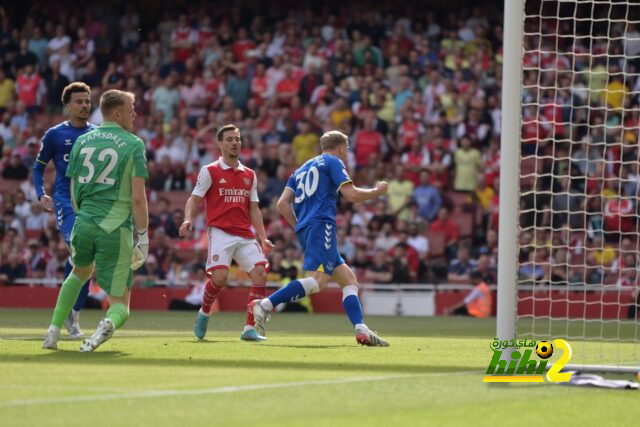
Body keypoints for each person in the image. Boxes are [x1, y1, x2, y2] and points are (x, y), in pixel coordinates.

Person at [251, 130, 391, 346]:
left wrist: (301, 227)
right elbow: (351, 195)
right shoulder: (333, 161)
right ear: (342, 148)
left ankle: (361, 330)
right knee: (319, 281)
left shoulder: (300, 169)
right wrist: (377, 191)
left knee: (349, 280)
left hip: (308, 228)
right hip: (322, 223)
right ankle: (266, 305)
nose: (347, 154)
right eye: (347, 149)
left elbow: (281, 204)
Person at [42, 89, 149, 352]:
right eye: (131, 108)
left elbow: (73, 189)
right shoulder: (134, 144)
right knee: (120, 303)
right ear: (116, 112)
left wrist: (82, 217)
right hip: (114, 227)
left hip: (84, 221)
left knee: (79, 272)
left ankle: (53, 331)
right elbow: (138, 199)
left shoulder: (83, 141)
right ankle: (106, 325)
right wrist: (143, 236)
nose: (134, 113)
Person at [179, 124, 274, 342]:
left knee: (260, 273)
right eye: (230, 139)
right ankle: (204, 311)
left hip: (244, 233)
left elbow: (254, 208)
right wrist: (187, 219)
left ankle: (249, 328)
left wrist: (262, 236)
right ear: (220, 144)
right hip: (220, 231)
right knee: (220, 277)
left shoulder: (250, 174)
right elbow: (195, 198)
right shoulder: (209, 170)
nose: (235, 143)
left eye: (238, 139)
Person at [32, 82, 96, 338]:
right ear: (67, 105)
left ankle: (74, 316)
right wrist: (41, 194)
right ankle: (71, 320)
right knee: (80, 251)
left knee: (85, 260)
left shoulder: (98, 134)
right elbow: (38, 168)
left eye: (88, 101)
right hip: (65, 200)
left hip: (91, 203)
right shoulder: (55, 135)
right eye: (79, 102)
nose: (84, 106)